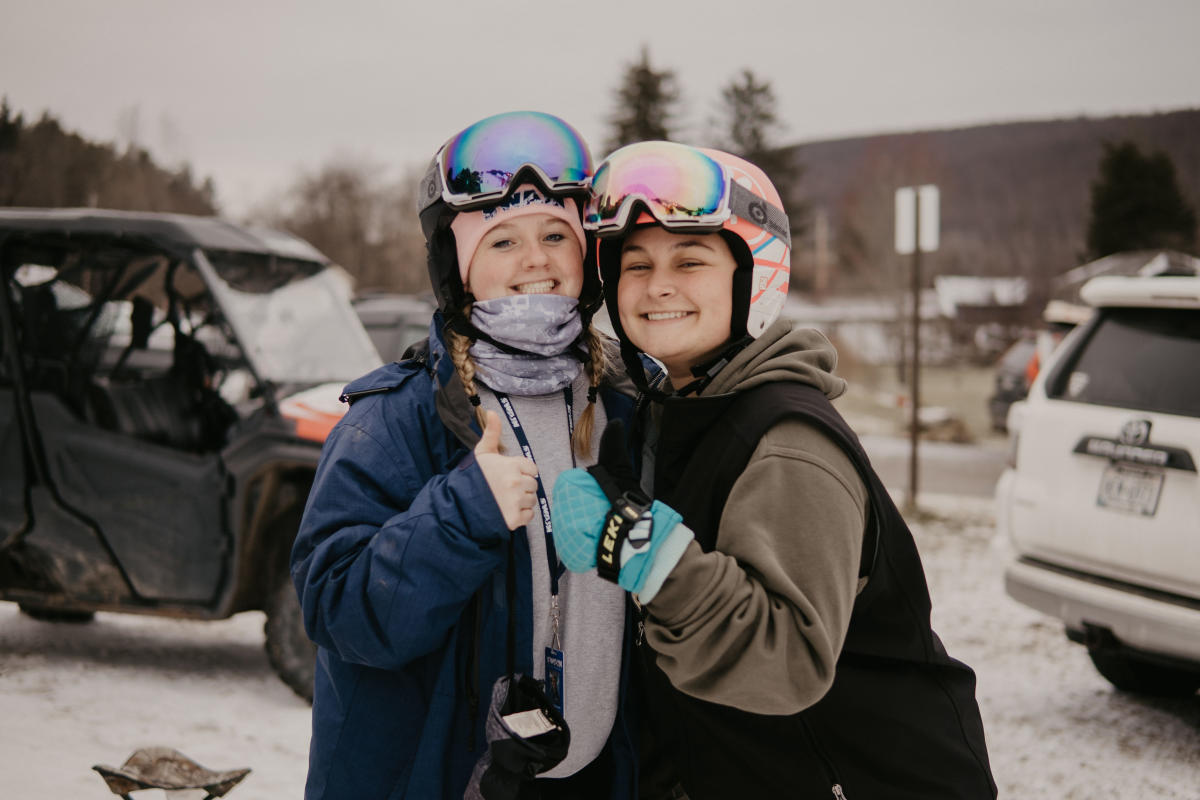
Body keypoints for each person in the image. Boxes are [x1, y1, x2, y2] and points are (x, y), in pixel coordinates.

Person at [552, 141, 997, 799]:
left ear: (753, 274)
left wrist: (638, 546)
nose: (658, 285)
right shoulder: (680, 405)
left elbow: (783, 661)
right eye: (635, 263)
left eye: (691, 260)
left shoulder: (787, 440)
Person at [290, 111, 640, 800]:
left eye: (554, 236)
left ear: (586, 255)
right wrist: (463, 511)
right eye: (502, 240)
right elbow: (336, 609)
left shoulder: (628, 410)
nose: (535, 260)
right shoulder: (396, 420)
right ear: (459, 266)